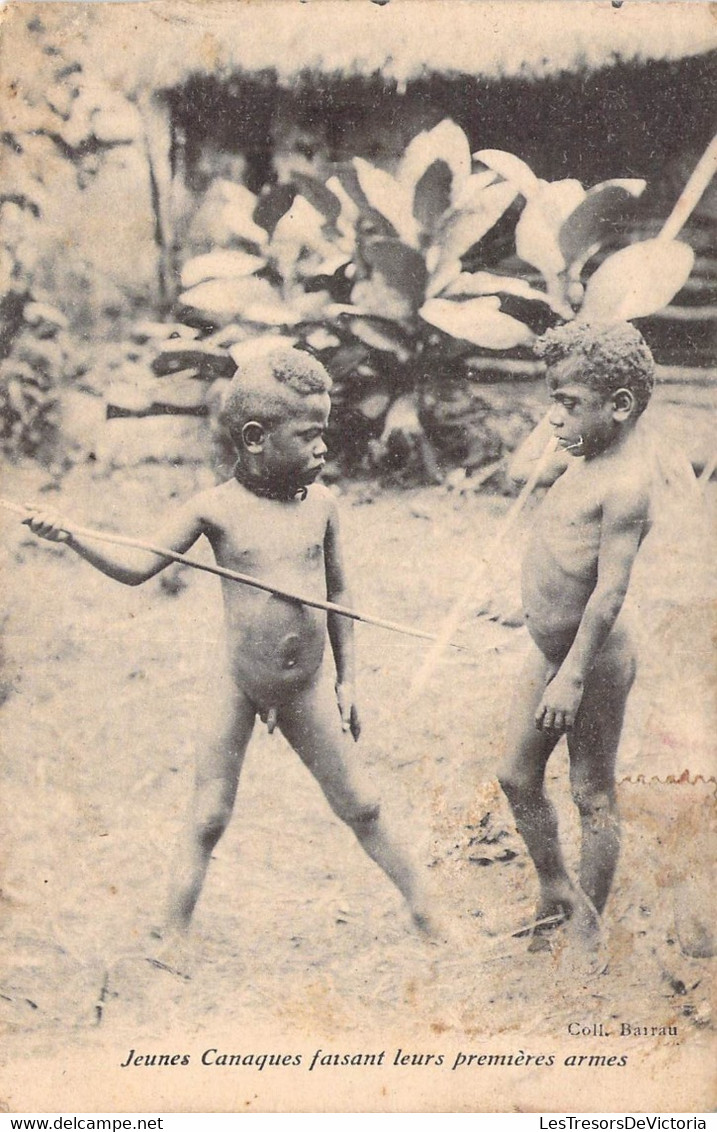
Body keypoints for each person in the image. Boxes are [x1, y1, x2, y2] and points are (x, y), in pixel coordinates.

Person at [23, 343, 436, 950]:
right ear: (254, 438)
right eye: (308, 435)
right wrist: (71, 538)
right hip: (240, 683)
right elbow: (139, 566)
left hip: (307, 686)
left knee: (364, 805)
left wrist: (349, 681)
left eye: (324, 432)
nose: (323, 448)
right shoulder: (214, 509)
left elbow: (339, 592)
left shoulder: (322, 505)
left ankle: (425, 909)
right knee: (210, 814)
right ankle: (173, 934)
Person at [497, 320, 658, 956]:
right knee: (514, 775)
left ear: (619, 407)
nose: (554, 418)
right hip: (551, 650)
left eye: (566, 404)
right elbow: (518, 473)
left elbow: (609, 594)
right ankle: (555, 891)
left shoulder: (627, 483)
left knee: (591, 789)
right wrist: (563, 407)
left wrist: (572, 674)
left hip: (593, 660)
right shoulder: (585, 454)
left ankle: (588, 929)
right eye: (552, 401)